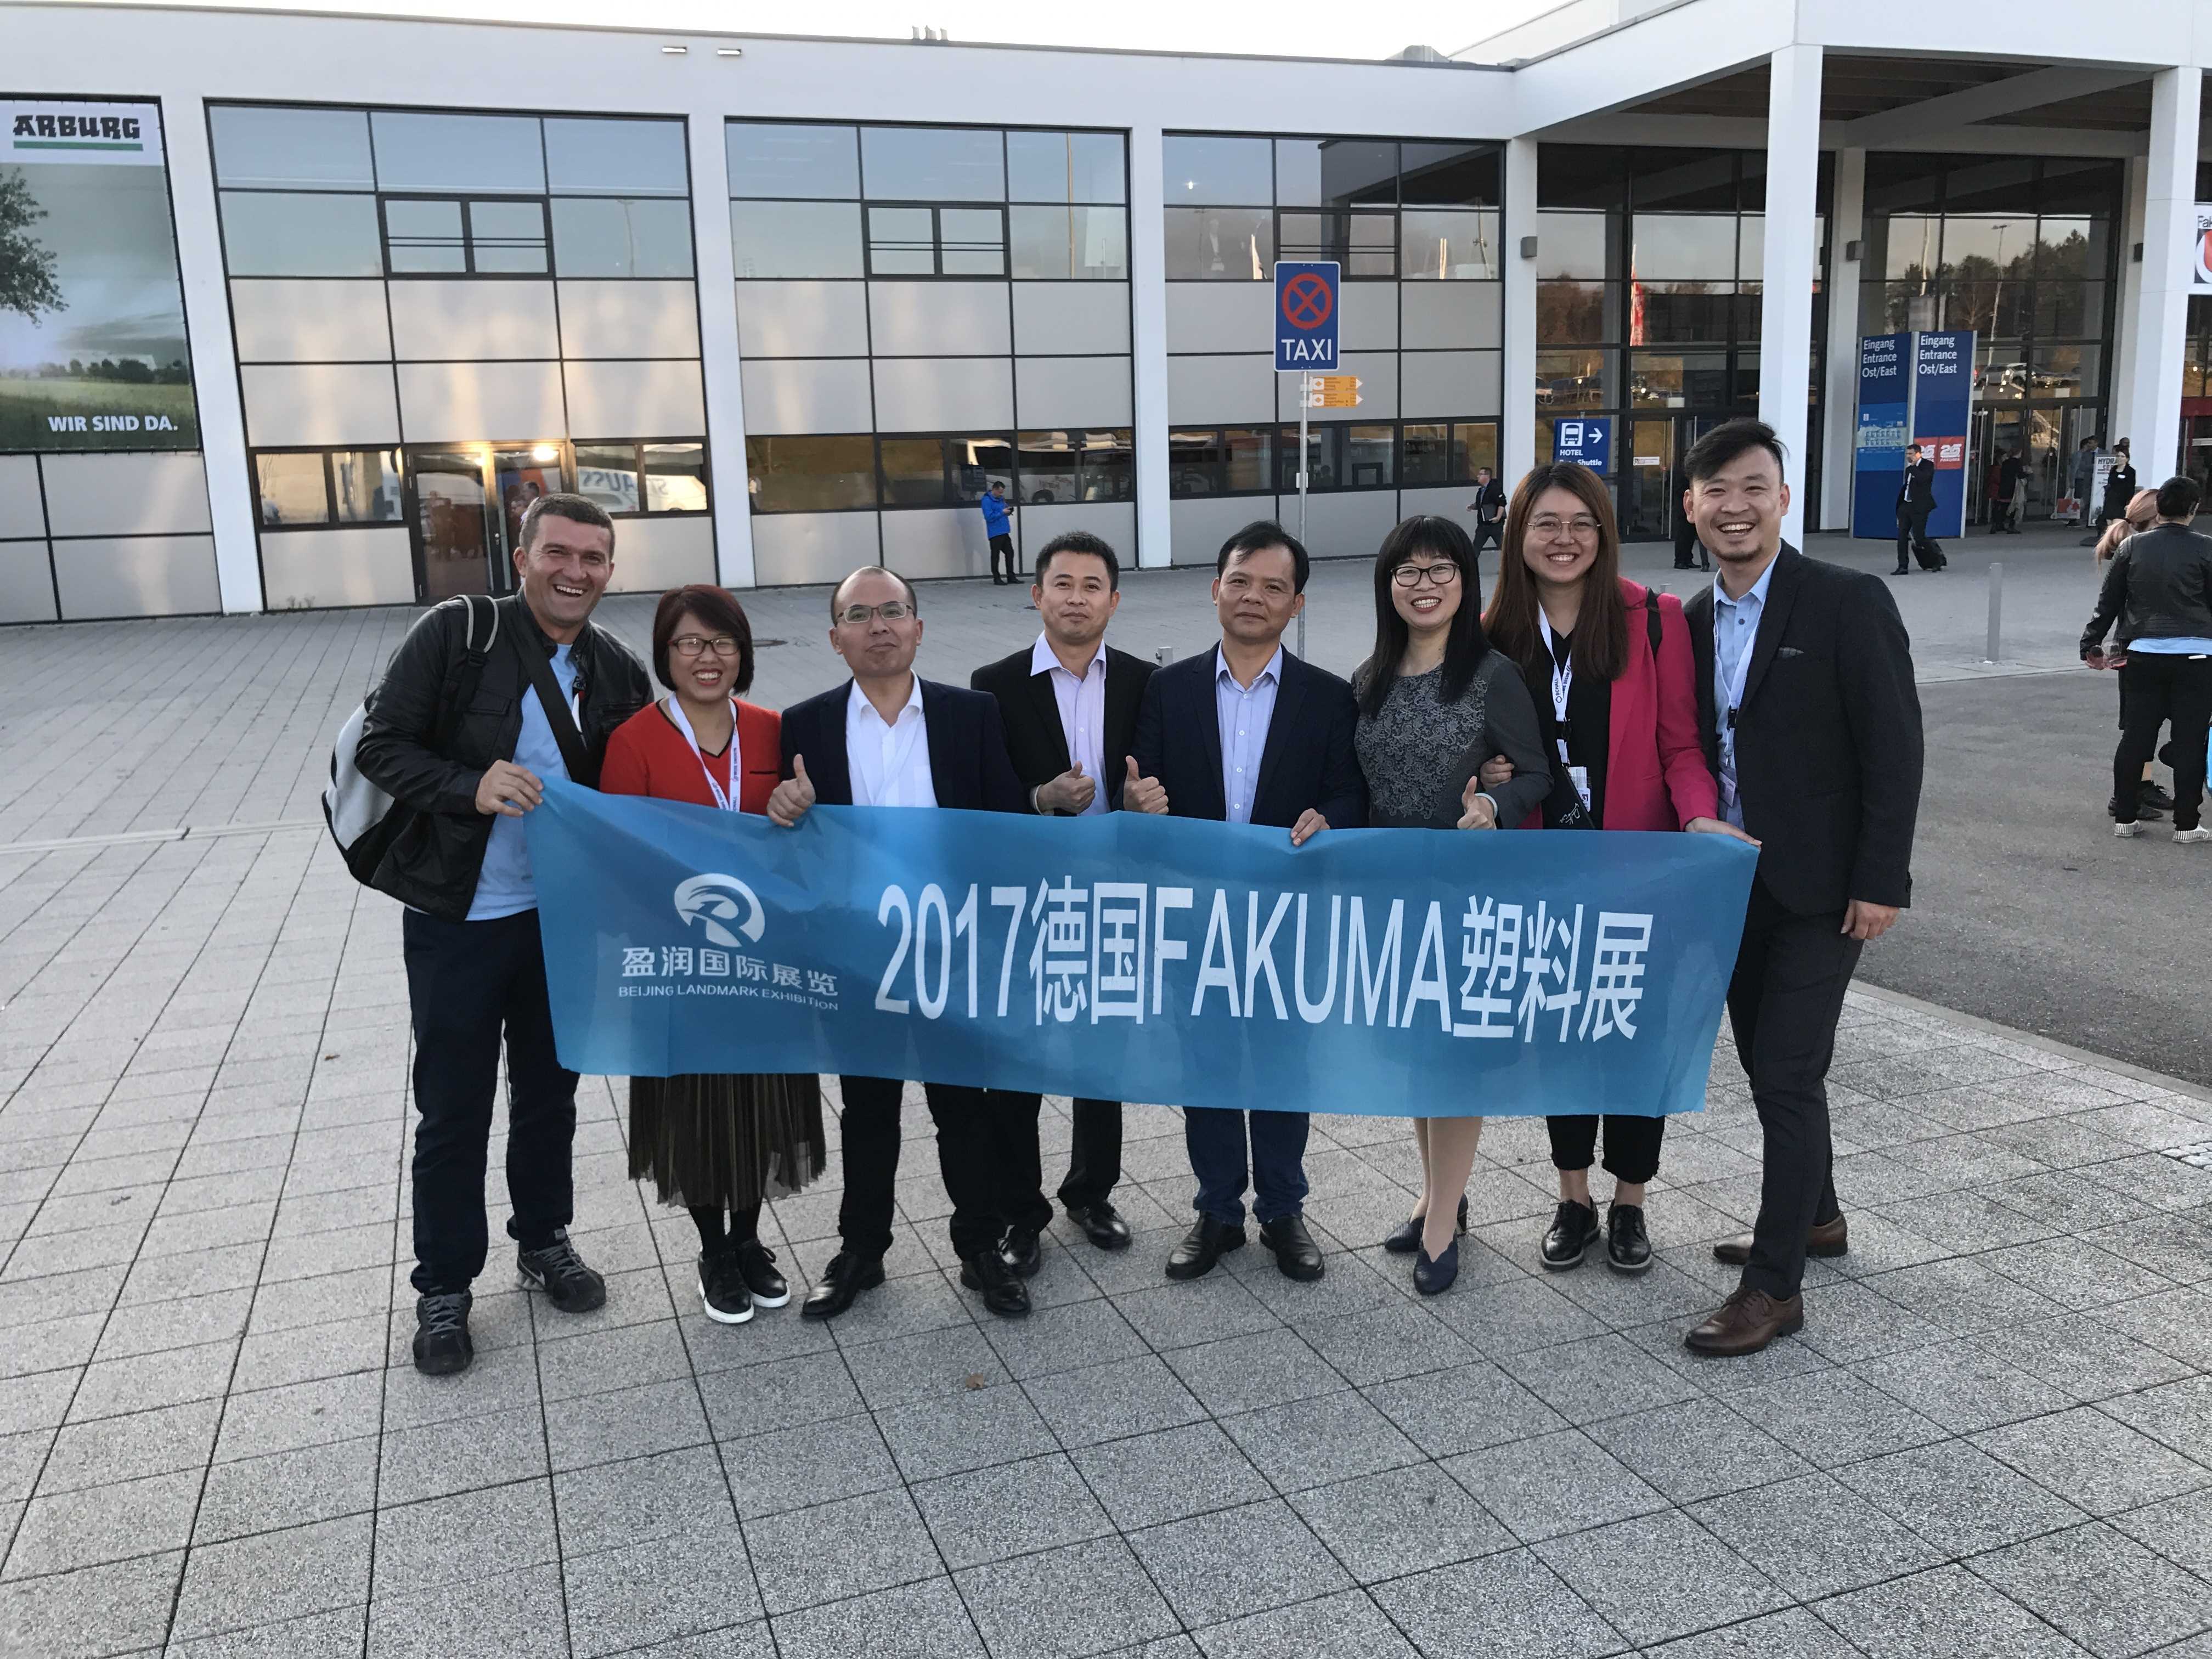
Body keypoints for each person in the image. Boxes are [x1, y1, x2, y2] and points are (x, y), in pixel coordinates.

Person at [355, 494, 652, 1376]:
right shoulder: (460, 634)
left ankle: (544, 1238)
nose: (575, 572)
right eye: (558, 553)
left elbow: (644, 787)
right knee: (454, 1107)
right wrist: (468, 786)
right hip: (460, 917)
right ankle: (444, 1285)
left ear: (610, 571)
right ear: (523, 558)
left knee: (551, 1096)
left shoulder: (616, 668)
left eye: (593, 558)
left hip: (561, 920)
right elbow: (381, 745)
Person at [1679, 419, 1923, 1357]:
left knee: (1786, 1072)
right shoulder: (1688, 621)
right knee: (1767, 1063)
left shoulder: (1846, 601)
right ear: (1692, 506)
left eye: (1753, 487)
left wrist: (1880, 878)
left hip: (1822, 887)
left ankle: (1774, 1286)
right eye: (1716, 490)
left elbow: (1894, 747)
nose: (1734, 506)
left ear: (1783, 499)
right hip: (1732, 884)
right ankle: (1816, 1217)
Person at [1475, 462, 1749, 1279]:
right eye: (1545, 524)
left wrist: (1698, 818)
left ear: (1603, 533)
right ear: (1518, 535)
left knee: (1638, 1035)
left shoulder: (1654, 620)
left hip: (1639, 872)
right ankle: (1573, 1197)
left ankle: (1630, 1199)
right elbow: (1473, 747)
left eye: (1580, 524)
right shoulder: (1491, 633)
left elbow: (1681, 746)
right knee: (1560, 1034)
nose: (1563, 540)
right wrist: (1484, 776)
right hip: (1542, 876)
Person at [768, 566, 1035, 1321]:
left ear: (919, 626)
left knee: (964, 1108)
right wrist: (785, 810)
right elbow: (790, 848)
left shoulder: (969, 714)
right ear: (835, 638)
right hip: (859, 952)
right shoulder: (807, 725)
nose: (878, 626)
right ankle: (862, 1250)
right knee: (867, 1110)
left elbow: (1004, 824)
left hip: (951, 947)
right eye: (859, 615)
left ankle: (980, 1246)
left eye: (893, 611)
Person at [1126, 521, 1366, 1284]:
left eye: (1273, 586)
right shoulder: (1168, 689)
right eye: (1240, 581)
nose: (1253, 597)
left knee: (1283, 1064)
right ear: (1215, 589)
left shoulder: (1328, 696)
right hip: (1195, 919)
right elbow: (1141, 784)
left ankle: (1284, 1210)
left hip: (1286, 920)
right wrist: (1137, 801)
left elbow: (1349, 793)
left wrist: (1331, 817)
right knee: (1207, 1067)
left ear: (1297, 603)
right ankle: (1218, 1211)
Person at [600, 586, 827, 1325]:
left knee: (759, 1101)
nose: (708, 657)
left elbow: (810, 847)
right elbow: (621, 859)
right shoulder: (633, 741)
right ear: (665, 654)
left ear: (743, 654)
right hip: (680, 964)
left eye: (723, 643)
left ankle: (749, 1240)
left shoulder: (774, 731)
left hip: (763, 960)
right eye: (690, 643)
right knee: (695, 1107)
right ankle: (713, 1251)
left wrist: (799, 814)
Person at [1350, 515, 1550, 1296]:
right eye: (1408, 570)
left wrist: (1495, 806)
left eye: (1442, 569)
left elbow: (1535, 773)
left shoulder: (1493, 675)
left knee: (1456, 1059)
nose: (1424, 584)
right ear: (1387, 585)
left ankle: (1440, 1232)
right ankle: (1437, 1197)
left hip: (1464, 898)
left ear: (1466, 583)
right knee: (1416, 1054)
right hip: (1390, 898)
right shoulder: (1368, 678)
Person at [971, 531, 1155, 1259]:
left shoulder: (1146, 682)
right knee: (1017, 1060)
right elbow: (982, 796)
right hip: (1027, 903)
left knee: (1100, 1057)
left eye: (1092, 586)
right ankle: (1021, 1212)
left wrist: (1144, 804)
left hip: (1114, 898)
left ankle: (1091, 1193)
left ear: (1114, 600)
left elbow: (1165, 776)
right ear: (1037, 594)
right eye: (1062, 584)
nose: (1076, 598)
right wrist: (1039, 797)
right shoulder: (993, 684)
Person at [2082, 473, 2212, 845]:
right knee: (2190, 741)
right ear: (2193, 509)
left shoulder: (2132, 547)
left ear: (2160, 509)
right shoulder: (2206, 548)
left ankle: (2125, 817)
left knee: (2136, 738)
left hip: (2143, 654)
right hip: (2197, 656)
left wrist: (2091, 642)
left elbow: (2109, 601)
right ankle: (2186, 825)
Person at [2095, 489, 2171, 823]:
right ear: (2157, 518)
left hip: (2137, 646)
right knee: (2139, 728)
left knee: (2146, 725)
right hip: (2138, 647)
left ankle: (2142, 785)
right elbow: (2110, 604)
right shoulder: (2138, 554)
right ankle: (2126, 795)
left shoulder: (2139, 549)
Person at [1894, 443, 1943, 574]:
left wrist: (1914, 467)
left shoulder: (1927, 465)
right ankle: (1903, 566)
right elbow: (1907, 487)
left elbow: (1924, 480)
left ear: (1918, 454)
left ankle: (1938, 558)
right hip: (1906, 505)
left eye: (1910, 454)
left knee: (1919, 537)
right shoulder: (1909, 470)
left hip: (1920, 507)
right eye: (1907, 454)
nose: (1908, 456)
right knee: (1902, 536)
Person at [1671, 462, 1709, 571]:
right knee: (1682, 536)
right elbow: (1680, 491)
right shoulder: (1681, 474)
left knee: (1690, 536)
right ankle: (1680, 561)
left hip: (1691, 509)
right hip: (1683, 510)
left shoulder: (1691, 474)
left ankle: (1688, 559)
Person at [2098, 439, 2138, 540]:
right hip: (2110, 499)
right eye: (2118, 456)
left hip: (2121, 500)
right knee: (2108, 522)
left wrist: (2129, 502)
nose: (2120, 458)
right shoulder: (2113, 469)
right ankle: (2109, 542)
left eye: (2122, 457)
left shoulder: (2130, 471)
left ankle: (2116, 541)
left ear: (2127, 459)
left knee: (2117, 523)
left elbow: (2131, 487)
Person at [1465, 465, 1506, 562]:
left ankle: (1512, 565)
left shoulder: (1495, 488)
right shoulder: (1481, 491)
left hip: (1495, 525)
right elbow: (1481, 504)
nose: (1478, 476)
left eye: (1480, 474)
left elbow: (1502, 503)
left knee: (1504, 547)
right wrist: (1472, 507)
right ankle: (1471, 567)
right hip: (1483, 525)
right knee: (1475, 549)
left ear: (1487, 476)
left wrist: (1498, 518)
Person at [981, 480, 1018, 585]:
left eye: (1002, 492)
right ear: (994, 489)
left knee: (1010, 553)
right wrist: (1002, 512)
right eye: (1000, 492)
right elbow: (989, 517)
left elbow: (1004, 509)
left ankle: (1011, 576)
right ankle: (996, 578)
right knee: (995, 556)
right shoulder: (987, 500)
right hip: (995, 532)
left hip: (1004, 530)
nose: (1001, 494)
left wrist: (1009, 511)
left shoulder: (1001, 499)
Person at [1993, 446, 2025, 534]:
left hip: (2004, 487)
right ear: (2019, 453)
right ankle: (2011, 526)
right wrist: (2027, 473)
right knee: (2015, 506)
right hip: (2013, 488)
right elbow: (2021, 475)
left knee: (2003, 506)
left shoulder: (2006, 462)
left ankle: (1998, 524)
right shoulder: (2017, 463)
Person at [2072, 436, 2100, 532]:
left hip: (2100, 480)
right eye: (2088, 443)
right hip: (2087, 480)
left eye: (2091, 443)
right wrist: (2095, 466)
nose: (2089, 445)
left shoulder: (2104, 453)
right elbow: (2082, 467)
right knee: (2087, 500)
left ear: (2096, 443)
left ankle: (2095, 521)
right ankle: (2087, 521)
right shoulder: (2085, 454)